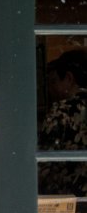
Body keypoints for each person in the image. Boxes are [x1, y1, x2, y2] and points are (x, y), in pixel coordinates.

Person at [38, 49, 87, 196]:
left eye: (54, 81)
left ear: (69, 78)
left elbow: (43, 165)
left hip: (70, 202)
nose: (50, 89)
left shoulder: (61, 111)